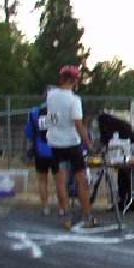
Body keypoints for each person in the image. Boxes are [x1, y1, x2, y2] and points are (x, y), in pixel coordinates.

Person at [46, 65, 98, 229]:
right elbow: (78, 124)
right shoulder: (74, 100)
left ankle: (66, 216)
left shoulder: (51, 95)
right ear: (75, 81)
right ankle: (87, 215)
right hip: (71, 143)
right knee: (82, 180)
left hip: (55, 142)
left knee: (60, 182)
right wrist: (88, 142)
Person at [25, 100, 59, 216]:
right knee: (59, 180)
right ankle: (62, 207)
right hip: (56, 150)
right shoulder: (58, 111)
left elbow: (29, 133)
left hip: (41, 150)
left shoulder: (35, 112)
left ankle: (45, 207)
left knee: (42, 180)